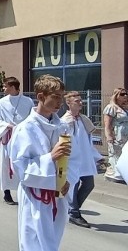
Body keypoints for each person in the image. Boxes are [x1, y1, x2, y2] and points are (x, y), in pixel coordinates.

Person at [8, 74, 71, 251]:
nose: (60, 102)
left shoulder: (62, 126)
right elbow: (20, 168)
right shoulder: (25, 129)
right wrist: (49, 157)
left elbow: (69, 160)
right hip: (35, 195)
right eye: (56, 97)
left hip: (57, 195)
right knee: (33, 242)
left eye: (62, 97)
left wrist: (66, 180)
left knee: (52, 243)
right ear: (41, 97)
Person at [61, 91, 102, 228]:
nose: (80, 103)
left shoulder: (83, 119)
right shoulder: (65, 121)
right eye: (77, 101)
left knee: (89, 184)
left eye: (80, 100)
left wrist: (97, 157)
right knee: (73, 185)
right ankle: (74, 213)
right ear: (68, 103)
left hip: (85, 159)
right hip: (72, 160)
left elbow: (88, 141)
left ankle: (72, 209)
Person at [0, 77, 34, 205]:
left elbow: (32, 118)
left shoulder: (28, 101)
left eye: (5, 86)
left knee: (23, 163)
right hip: (8, 137)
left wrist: (23, 128)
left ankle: (25, 191)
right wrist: (6, 126)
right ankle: (7, 192)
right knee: (6, 164)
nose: (3, 89)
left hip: (23, 137)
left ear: (12, 87)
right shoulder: (1, 103)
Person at [103, 87, 128, 183]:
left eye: (126, 94)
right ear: (116, 96)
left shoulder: (124, 108)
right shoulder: (111, 107)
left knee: (124, 154)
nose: (125, 96)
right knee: (116, 154)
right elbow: (107, 124)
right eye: (122, 94)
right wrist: (109, 135)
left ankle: (123, 173)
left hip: (125, 136)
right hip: (117, 134)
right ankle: (114, 174)